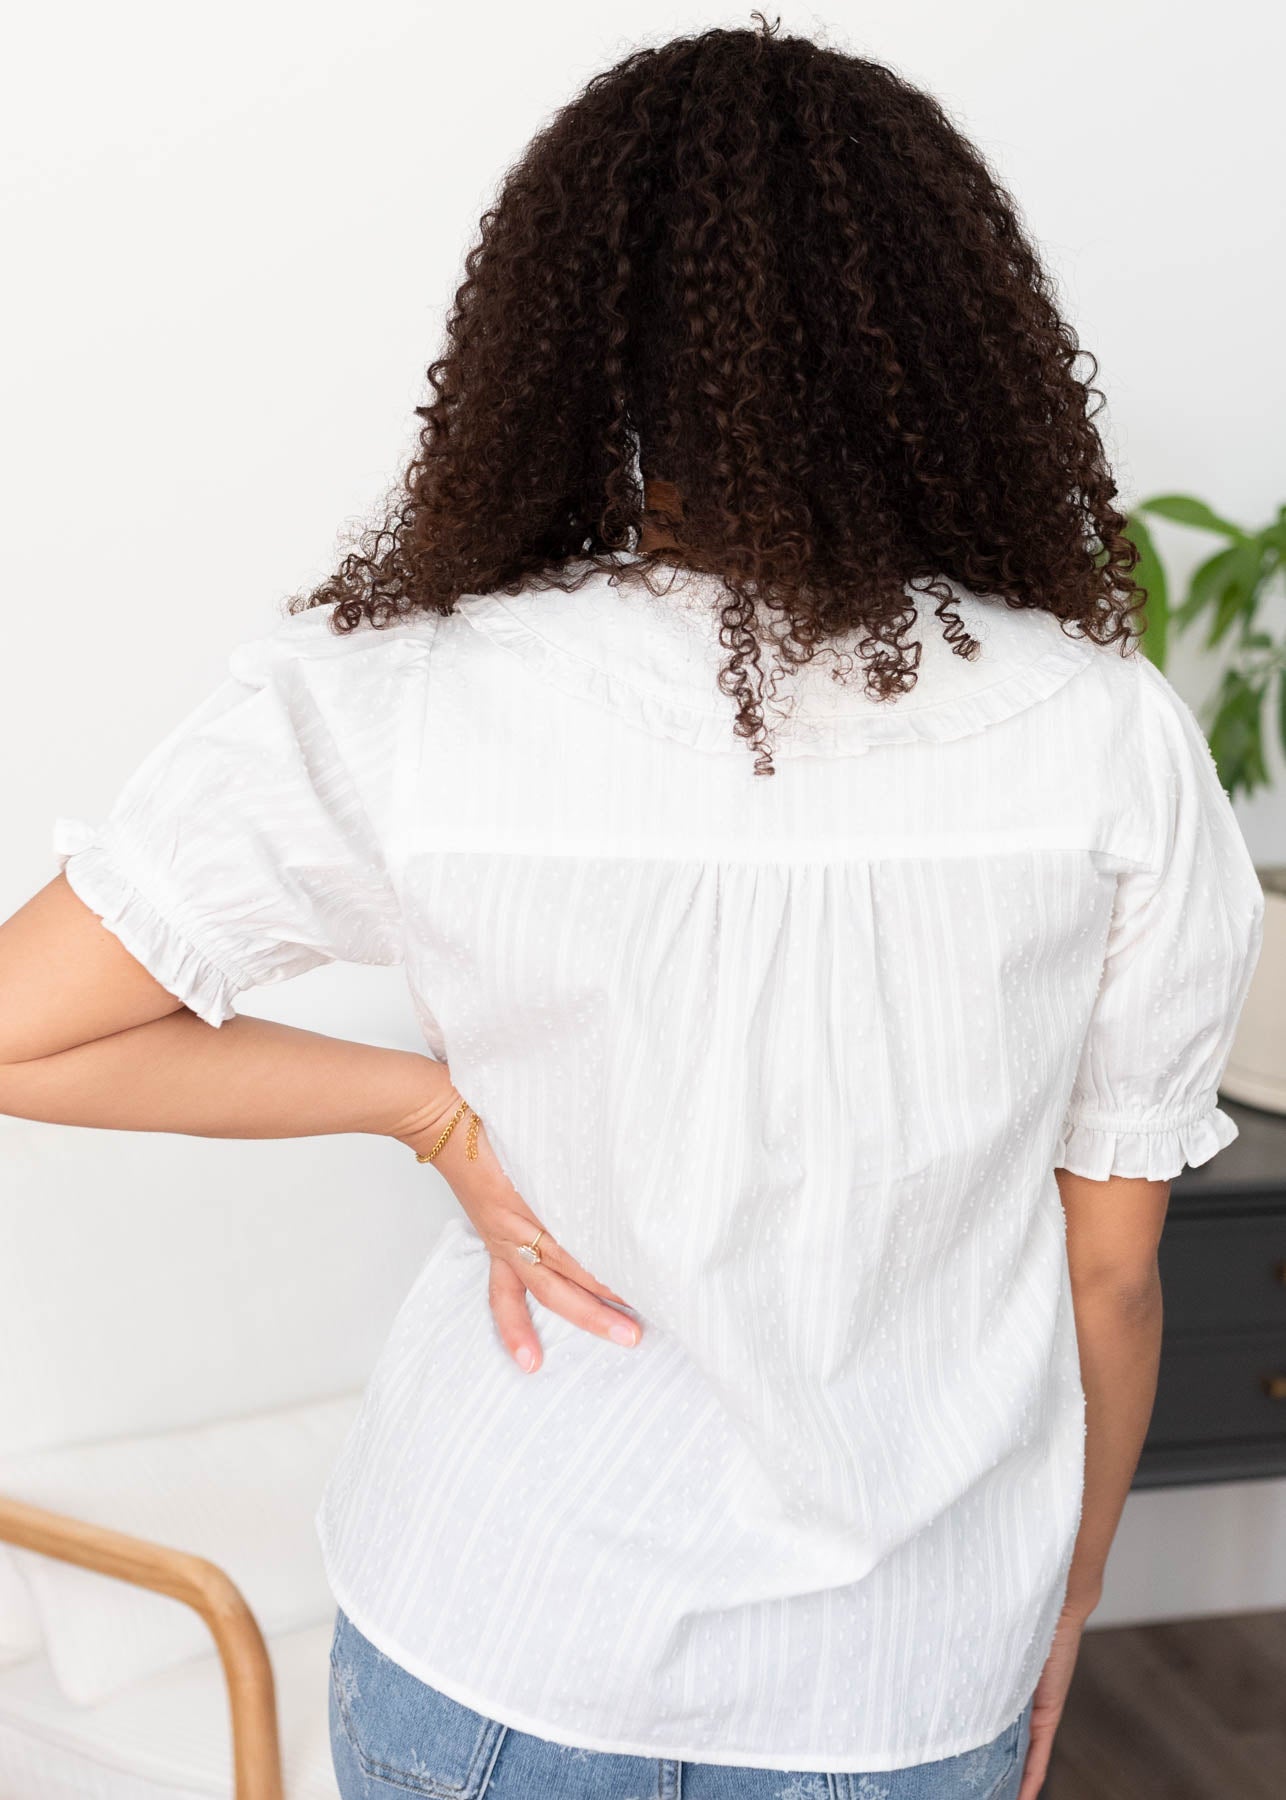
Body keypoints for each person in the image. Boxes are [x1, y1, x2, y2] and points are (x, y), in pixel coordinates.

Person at [0, 18, 1264, 1800]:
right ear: (947, 344)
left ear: (566, 344)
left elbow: (16, 1027)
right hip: (895, 1679)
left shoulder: (403, 696)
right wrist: (1064, 1603)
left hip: (493, 1627)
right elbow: (1113, 1272)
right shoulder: (1103, 736)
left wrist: (423, 1110)